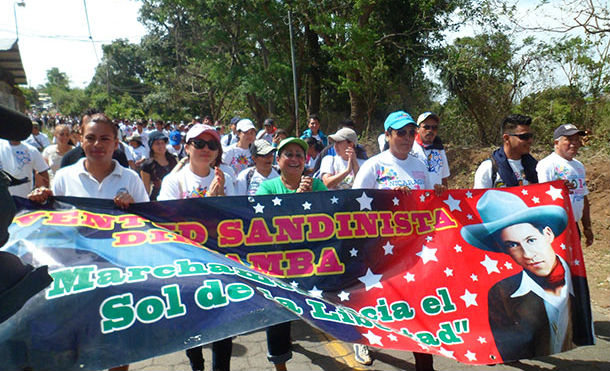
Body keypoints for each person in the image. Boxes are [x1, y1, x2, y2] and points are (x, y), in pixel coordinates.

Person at [352, 110, 444, 370]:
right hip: (381, 249)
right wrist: (387, 198)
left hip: (414, 249)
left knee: (417, 306)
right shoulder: (375, 165)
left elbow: (428, 203)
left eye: (410, 132)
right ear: (388, 135)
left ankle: (424, 363)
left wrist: (437, 194)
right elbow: (354, 206)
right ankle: (363, 338)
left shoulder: (420, 164)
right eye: (400, 132)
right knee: (376, 300)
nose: (406, 137)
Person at [461, 190, 594, 361]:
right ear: (503, 249)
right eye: (513, 245)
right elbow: (507, 346)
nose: (528, 254)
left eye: (531, 240)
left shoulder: (577, 280)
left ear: (547, 234)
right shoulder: (502, 293)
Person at [157, 123, 234, 371]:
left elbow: (237, 222)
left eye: (212, 145)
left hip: (221, 264)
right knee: (192, 324)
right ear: (187, 147)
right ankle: (196, 365)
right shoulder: (174, 181)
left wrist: (221, 199)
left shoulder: (226, 179)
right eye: (199, 143)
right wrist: (209, 202)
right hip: (186, 265)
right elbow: (168, 222)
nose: (205, 149)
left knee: (224, 325)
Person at [256, 137, 327, 371]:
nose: (295, 159)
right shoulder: (267, 187)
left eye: (299, 154)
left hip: (313, 263)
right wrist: (296, 197)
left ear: (305, 160)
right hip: (279, 265)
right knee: (278, 316)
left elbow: (331, 217)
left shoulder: (317, 186)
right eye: (289, 154)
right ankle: (280, 366)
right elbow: (265, 223)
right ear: (278, 160)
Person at [537, 123, 593, 246]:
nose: (574, 143)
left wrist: (587, 226)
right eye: (568, 139)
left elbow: (583, 197)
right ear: (556, 143)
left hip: (574, 225)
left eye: (576, 139)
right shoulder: (547, 164)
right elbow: (543, 197)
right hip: (556, 228)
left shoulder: (579, 166)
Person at [474, 114, 538, 188]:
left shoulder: (535, 166)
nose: (530, 140)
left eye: (531, 136)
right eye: (524, 137)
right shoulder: (489, 168)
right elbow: (481, 198)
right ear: (506, 138)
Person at [412, 112, 450, 187]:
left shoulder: (440, 149)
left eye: (434, 127)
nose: (430, 130)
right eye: (426, 127)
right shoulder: (410, 148)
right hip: (416, 197)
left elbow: (444, 179)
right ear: (417, 129)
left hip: (435, 197)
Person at [140, 131, 177, 201]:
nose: (161, 146)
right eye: (157, 144)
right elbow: (146, 190)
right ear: (151, 146)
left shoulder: (173, 159)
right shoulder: (147, 165)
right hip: (157, 200)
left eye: (163, 143)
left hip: (174, 197)